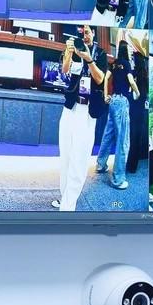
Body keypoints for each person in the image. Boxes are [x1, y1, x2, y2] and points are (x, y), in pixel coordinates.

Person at [54, 26, 106, 211]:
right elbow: (65, 70)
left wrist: (88, 59)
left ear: (93, 33)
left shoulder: (100, 53)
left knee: (79, 158)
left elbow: (100, 79)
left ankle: (68, 206)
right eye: (81, 33)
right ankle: (65, 197)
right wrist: (69, 53)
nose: (84, 36)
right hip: (70, 108)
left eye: (87, 32)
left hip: (87, 112)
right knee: (66, 155)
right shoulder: (73, 48)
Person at [96, 31, 138, 190]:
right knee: (122, 140)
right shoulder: (126, 64)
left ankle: (100, 165)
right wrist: (137, 92)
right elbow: (131, 81)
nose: (130, 52)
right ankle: (118, 179)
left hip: (113, 101)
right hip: (122, 102)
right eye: (129, 49)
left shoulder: (113, 63)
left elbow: (106, 78)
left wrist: (106, 95)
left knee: (108, 134)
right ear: (126, 51)